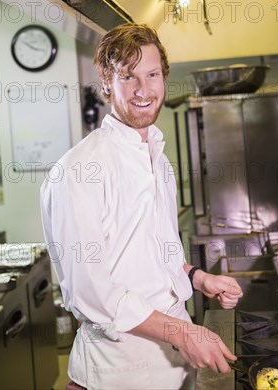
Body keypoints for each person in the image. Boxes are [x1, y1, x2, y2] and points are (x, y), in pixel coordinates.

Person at [40, 23, 243, 390]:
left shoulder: (158, 159)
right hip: (119, 373)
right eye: (127, 77)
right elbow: (91, 294)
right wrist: (182, 332)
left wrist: (197, 278)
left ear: (163, 77)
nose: (143, 90)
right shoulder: (77, 171)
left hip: (177, 366)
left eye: (151, 74)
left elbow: (155, 254)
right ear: (106, 84)